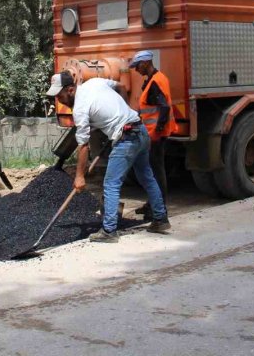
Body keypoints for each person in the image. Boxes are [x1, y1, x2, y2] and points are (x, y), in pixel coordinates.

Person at [46, 71, 170, 242]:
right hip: (140, 130)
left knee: (111, 184)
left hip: (127, 138)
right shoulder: (94, 83)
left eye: (60, 95)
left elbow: (83, 145)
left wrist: (80, 176)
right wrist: (124, 111)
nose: (59, 100)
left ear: (70, 90)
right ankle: (161, 219)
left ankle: (109, 231)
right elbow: (121, 86)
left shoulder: (80, 108)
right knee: (147, 177)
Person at [129, 50, 178, 218]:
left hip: (155, 135)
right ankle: (153, 203)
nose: (136, 70)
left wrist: (157, 130)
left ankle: (159, 207)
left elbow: (164, 107)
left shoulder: (156, 81)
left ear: (145, 63)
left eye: (137, 66)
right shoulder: (153, 79)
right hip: (152, 133)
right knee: (152, 170)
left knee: (156, 171)